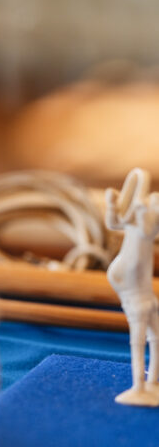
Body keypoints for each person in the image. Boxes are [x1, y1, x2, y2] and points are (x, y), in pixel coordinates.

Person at [105, 168, 159, 406]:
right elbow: (114, 222)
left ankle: (152, 382)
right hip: (129, 282)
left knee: (155, 337)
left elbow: (148, 232)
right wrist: (111, 204)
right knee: (138, 340)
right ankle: (139, 385)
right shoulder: (139, 213)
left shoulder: (149, 217)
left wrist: (142, 208)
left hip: (144, 289)